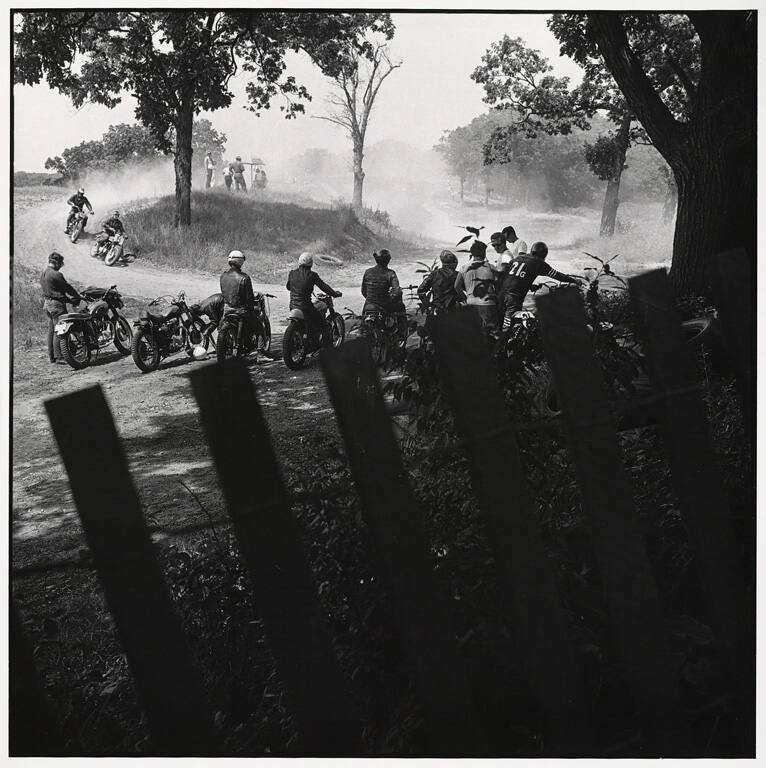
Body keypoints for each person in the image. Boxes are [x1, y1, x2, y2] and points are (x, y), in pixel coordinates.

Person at [498, 241, 586, 330]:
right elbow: (557, 275)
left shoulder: (518, 258)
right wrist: (574, 280)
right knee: (508, 328)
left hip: (501, 294)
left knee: (500, 323)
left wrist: (530, 286)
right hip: (513, 298)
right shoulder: (538, 263)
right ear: (543, 255)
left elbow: (512, 276)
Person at [286, 252, 341, 345]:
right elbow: (324, 287)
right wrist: (334, 294)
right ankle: (328, 348)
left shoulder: (292, 273)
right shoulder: (312, 275)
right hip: (306, 307)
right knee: (323, 324)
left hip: (293, 306)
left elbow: (288, 287)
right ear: (311, 263)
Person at [41, 252, 83, 363]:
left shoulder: (44, 272)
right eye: (60, 264)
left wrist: (68, 300)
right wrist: (76, 296)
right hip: (56, 305)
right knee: (60, 331)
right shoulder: (56, 274)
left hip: (47, 304)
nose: (60, 266)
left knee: (52, 330)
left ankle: (52, 356)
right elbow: (66, 287)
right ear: (56, 263)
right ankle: (60, 356)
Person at [220, 250, 266, 349]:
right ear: (240, 262)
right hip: (241, 310)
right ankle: (261, 354)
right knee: (260, 327)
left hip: (227, 309)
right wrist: (252, 306)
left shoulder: (223, 276)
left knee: (221, 326)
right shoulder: (245, 277)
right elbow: (249, 298)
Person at [361, 249, 407, 340]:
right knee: (401, 306)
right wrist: (392, 299)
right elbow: (397, 291)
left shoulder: (367, 272)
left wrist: (371, 299)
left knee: (363, 328)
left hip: (368, 305)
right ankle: (402, 334)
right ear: (388, 260)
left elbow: (363, 291)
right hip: (383, 305)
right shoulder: (390, 273)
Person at [454, 240, 498, 331]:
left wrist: (465, 298)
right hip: (488, 304)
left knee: (474, 334)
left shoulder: (464, 268)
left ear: (472, 253)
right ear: (484, 253)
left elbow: (457, 287)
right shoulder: (491, 267)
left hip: (471, 303)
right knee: (491, 333)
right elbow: (498, 286)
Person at [417, 249, 460, 316]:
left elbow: (420, 290)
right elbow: (467, 290)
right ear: (453, 262)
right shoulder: (457, 275)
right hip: (453, 310)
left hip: (436, 310)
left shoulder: (434, 274)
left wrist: (427, 305)